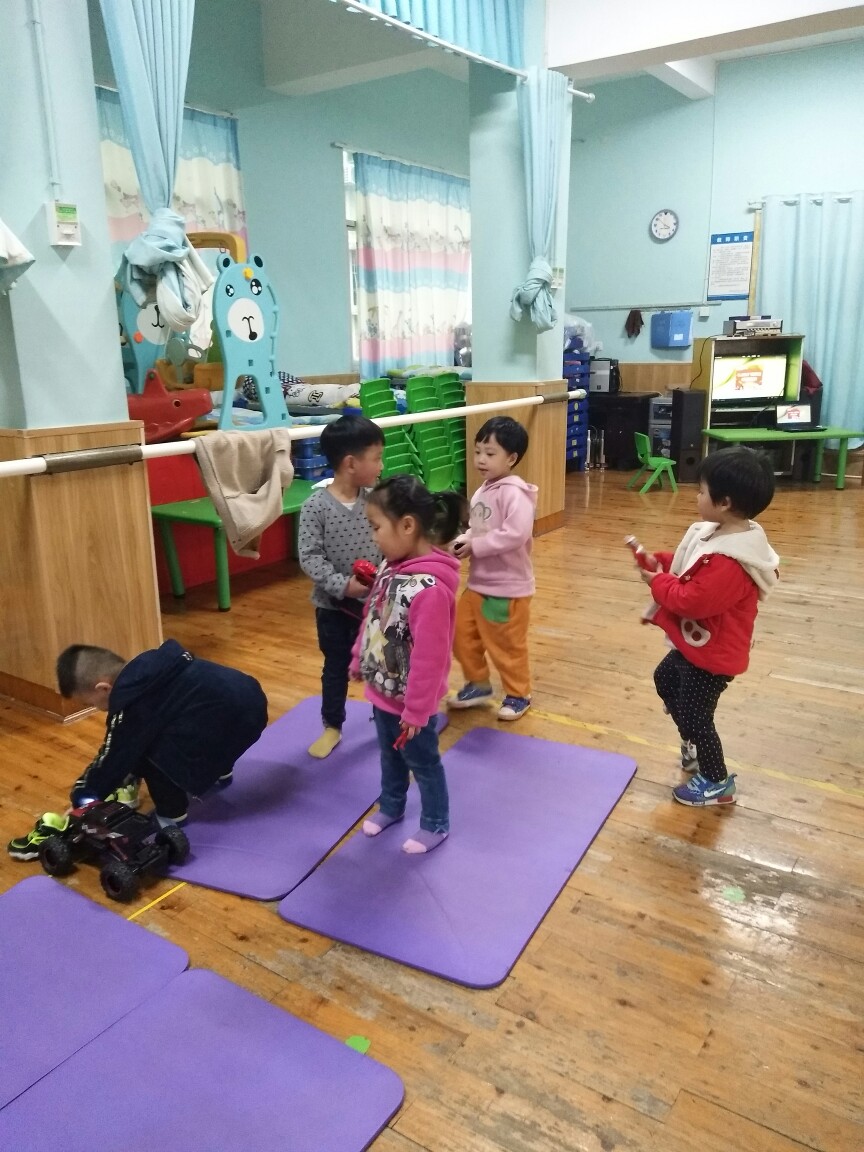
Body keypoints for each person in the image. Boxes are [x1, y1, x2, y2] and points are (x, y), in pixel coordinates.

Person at [6, 640, 268, 860]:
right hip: (252, 706)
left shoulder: (130, 704)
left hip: (223, 729)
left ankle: (172, 816)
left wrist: (84, 795)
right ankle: (221, 771)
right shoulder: (154, 666)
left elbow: (113, 758)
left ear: (103, 688)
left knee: (144, 755)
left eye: (92, 703)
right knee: (194, 717)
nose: (97, 709)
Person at [636, 446, 780, 807]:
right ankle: (693, 742)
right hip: (698, 647)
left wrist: (657, 581)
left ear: (725, 502)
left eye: (701, 491)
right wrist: (662, 562)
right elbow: (691, 563)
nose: (696, 497)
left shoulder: (732, 560)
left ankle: (716, 781)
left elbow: (691, 600)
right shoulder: (718, 533)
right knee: (665, 679)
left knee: (698, 715)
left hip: (715, 655)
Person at [351, 475, 466, 854]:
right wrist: (359, 657)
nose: (373, 537)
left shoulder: (429, 591)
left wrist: (417, 711)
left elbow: (431, 659)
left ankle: (435, 823)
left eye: (376, 527)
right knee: (390, 756)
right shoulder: (391, 566)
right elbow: (373, 614)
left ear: (407, 525)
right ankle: (392, 806)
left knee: (423, 763)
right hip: (384, 692)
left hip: (412, 706)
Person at [297, 415, 384, 758]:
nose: (381, 466)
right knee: (335, 668)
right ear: (351, 463)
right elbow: (310, 557)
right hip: (333, 609)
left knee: (379, 661)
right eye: (376, 458)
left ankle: (385, 715)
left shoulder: (376, 500)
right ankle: (332, 726)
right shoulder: (315, 507)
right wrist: (342, 585)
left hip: (375, 605)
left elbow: (389, 541)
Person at [448, 416, 538, 721]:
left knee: (507, 645)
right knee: (460, 634)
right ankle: (478, 684)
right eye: (477, 452)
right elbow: (479, 529)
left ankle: (519, 693)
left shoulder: (515, 493)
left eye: (490, 453)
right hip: (477, 584)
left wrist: (476, 545)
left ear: (511, 458)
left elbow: (516, 534)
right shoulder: (482, 491)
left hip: (507, 589)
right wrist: (464, 540)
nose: (481, 460)